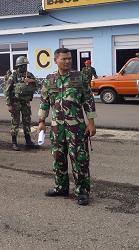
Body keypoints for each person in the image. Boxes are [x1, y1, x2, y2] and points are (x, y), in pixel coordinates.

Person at [37, 48, 97, 206]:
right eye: (64, 59)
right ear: (56, 60)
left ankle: (82, 191)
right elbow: (44, 102)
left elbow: (88, 100)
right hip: (57, 128)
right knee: (58, 158)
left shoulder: (80, 77)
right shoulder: (49, 80)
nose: (67, 61)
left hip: (76, 127)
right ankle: (61, 187)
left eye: (69, 59)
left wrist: (91, 122)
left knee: (79, 159)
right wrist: (42, 121)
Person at [4, 56, 39, 151]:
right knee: (15, 121)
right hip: (15, 102)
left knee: (27, 121)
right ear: (18, 66)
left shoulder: (29, 75)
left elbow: (38, 85)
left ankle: (28, 142)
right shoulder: (13, 76)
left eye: (25, 65)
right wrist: (9, 104)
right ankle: (14, 143)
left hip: (26, 102)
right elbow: (7, 90)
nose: (24, 67)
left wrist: (32, 81)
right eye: (22, 66)